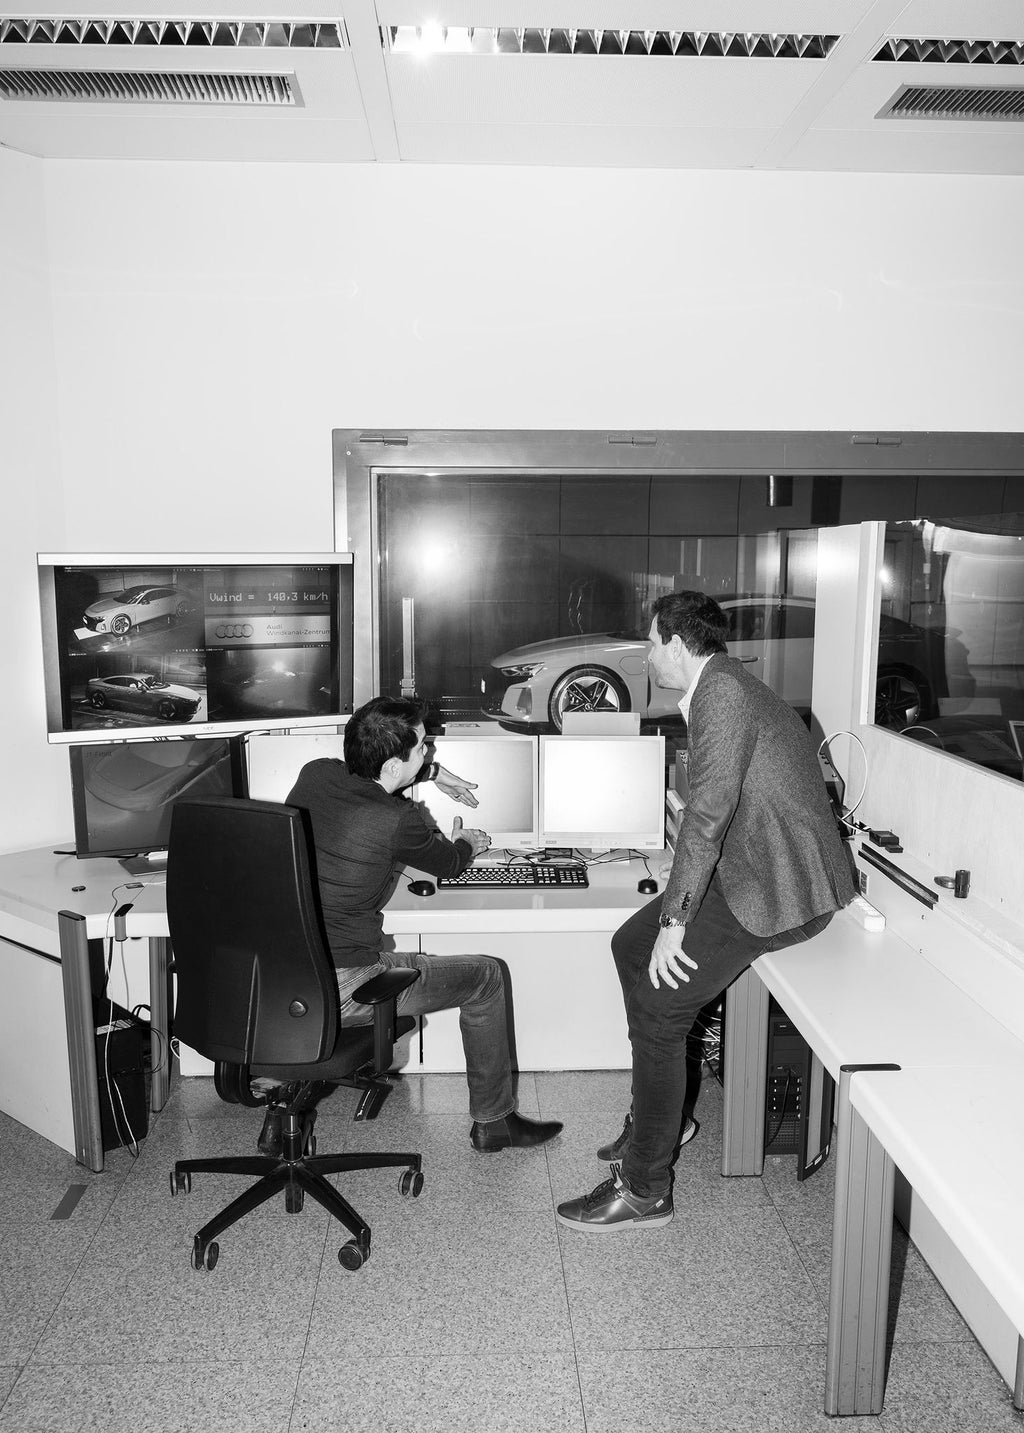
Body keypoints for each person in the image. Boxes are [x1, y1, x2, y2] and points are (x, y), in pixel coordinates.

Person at [557, 590, 854, 1231]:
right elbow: (724, 806)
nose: (646, 655)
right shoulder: (720, 685)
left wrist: (675, 920)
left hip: (778, 886)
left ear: (675, 642)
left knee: (661, 1009)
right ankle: (663, 1117)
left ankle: (645, 1187)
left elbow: (708, 812)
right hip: (746, 865)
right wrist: (678, 894)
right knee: (628, 946)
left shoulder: (722, 693)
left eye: (650, 642)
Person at [283, 695, 562, 1153]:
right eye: (422, 747)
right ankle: (495, 1122)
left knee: (417, 961)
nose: (428, 750)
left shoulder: (315, 774)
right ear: (395, 764)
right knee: (486, 976)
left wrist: (433, 773)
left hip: (282, 976)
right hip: (345, 985)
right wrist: (467, 841)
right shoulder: (398, 820)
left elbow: (371, 775)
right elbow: (449, 863)